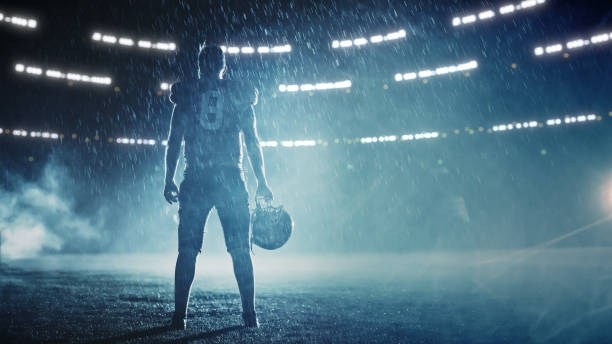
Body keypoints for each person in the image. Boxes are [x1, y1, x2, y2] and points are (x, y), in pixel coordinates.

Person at [163, 44, 273, 330]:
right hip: (229, 178)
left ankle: (180, 316)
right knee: (240, 250)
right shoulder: (238, 95)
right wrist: (261, 180)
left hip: (196, 176)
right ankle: (249, 314)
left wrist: (168, 178)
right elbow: (252, 142)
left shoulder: (187, 95)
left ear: (200, 65)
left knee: (187, 250)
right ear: (223, 65)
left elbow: (174, 140)